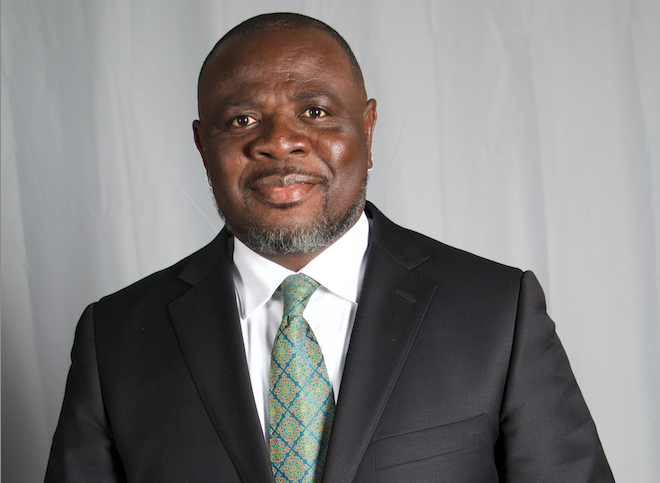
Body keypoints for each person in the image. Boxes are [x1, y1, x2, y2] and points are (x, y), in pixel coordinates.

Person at [45, 12, 615, 483]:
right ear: (202, 146)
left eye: (315, 113)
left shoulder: (497, 311)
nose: (278, 142)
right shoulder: (114, 338)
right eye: (242, 119)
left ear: (367, 129)